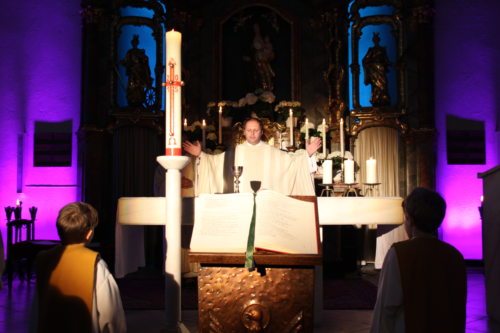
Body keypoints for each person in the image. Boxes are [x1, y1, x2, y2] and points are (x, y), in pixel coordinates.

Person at [370, 187, 467, 333]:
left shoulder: (399, 253)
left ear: (410, 219)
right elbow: (458, 309)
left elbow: (386, 308)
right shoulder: (455, 256)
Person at [34, 202, 126, 333]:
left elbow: (36, 308)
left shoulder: (44, 260)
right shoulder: (96, 264)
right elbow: (110, 314)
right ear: (89, 234)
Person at [182, 117, 321, 195]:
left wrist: (307, 154)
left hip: (267, 208)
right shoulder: (236, 152)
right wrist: (200, 154)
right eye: (249, 130)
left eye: (256, 130)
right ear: (244, 132)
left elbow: (293, 163)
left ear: (261, 132)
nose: (252, 133)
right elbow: (214, 163)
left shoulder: (271, 151)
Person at [120, 34, 153, 107]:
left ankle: (139, 100)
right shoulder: (130, 52)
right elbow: (126, 61)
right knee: (132, 87)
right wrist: (121, 62)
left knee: (139, 87)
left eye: (135, 42)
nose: (134, 44)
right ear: (132, 43)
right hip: (132, 73)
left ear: (137, 43)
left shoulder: (140, 52)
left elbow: (144, 61)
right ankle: (132, 101)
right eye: (133, 42)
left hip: (139, 73)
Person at [362, 32, 391, 107]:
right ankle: (376, 99)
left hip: (381, 69)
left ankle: (383, 99)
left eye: (377, 39)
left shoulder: (382, 49)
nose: (376, 41)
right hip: (374, 71)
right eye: (375, 39)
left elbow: (386, 60)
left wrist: (391, 64)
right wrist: (371, 64)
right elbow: (365, 60)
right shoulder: (371, 50)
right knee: (375, 86)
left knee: (383, 84)